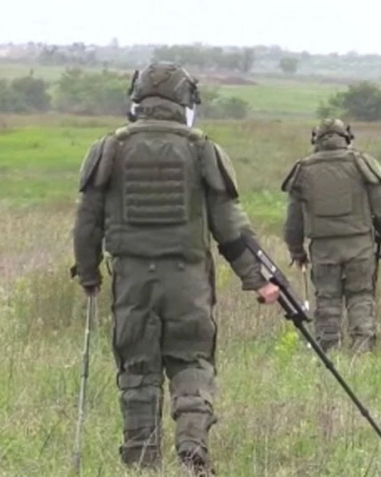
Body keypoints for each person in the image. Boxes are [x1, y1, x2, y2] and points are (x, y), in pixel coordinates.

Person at [70, 61, 280, 475]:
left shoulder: (109, 149)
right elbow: (231, 227)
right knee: (192, 361)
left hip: (132, 279)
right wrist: (257, 280)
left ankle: (142, 460)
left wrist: (90, 274)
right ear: (185, 100)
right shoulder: (202, 149)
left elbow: (86, 223)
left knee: (138, 369)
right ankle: (192, 447)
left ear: (137, 99)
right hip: (187, 280)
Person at [280, 118, 381, 354]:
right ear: (347, 137)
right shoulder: (362, 164)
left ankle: (328, 348)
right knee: (361, 295)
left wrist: (296, 250)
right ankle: (362, 348)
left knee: (327, 298)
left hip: (323, 249)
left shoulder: (304, 170)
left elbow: (293, 221)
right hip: (360, 245)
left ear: (316, 140)